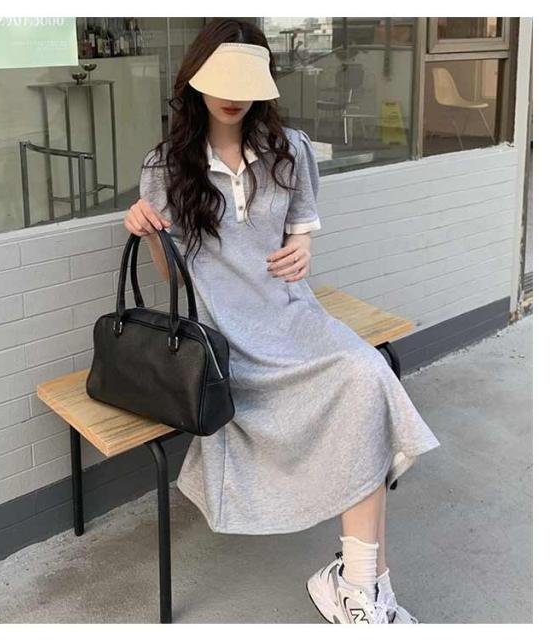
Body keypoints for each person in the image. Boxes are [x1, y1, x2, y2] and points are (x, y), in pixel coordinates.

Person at [124, 18, 440, 624]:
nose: (233, 95)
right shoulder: (166, 166)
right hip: (227, 334)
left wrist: (302, 249)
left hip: (293, 315)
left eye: (247, 80)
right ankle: (362, 590)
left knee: (366, 375)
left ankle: (358, 587)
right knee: (364, 390)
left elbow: (300, 231)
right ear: (196, 79)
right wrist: (145, 227)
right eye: (222, 79)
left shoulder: (289, 148)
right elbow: (174, 278)